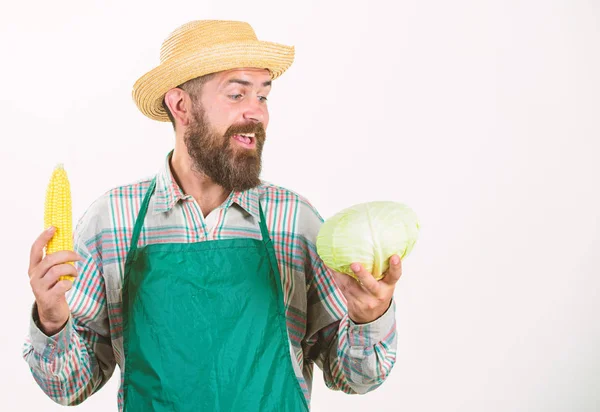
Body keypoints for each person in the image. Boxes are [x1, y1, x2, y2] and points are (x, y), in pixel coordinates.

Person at [23, 20, 401, 411]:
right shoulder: (112, 221)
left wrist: (368, 317)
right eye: (237, 94)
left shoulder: (295, 220)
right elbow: (69, 387)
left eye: (263, 97)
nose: (256, 114)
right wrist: (52, 319)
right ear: (181, 105)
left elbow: (356, 378)